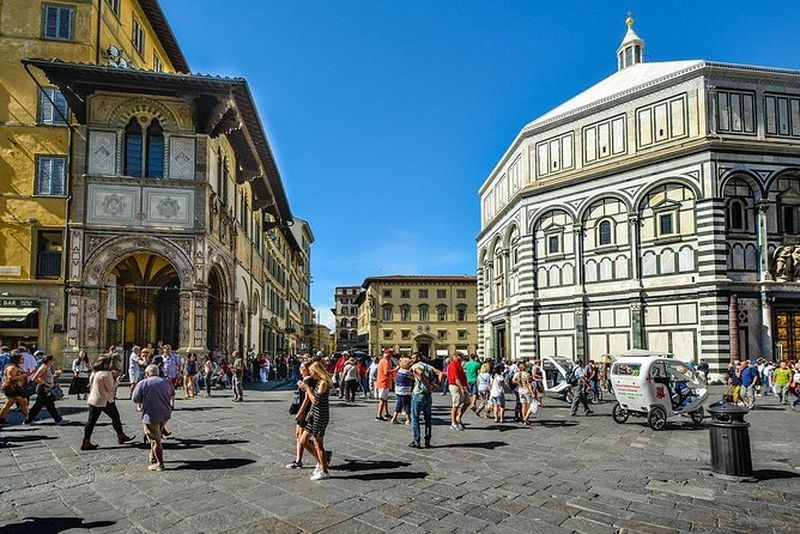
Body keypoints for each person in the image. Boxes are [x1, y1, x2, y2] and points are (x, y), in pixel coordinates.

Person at [81, 356, 135, 450]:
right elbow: (111, 388)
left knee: (91, 422)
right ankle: (121, 435)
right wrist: (117, 381)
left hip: (94, 399)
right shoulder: (106, 374)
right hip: (105, 400)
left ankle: (86, 441)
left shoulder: (95, 372)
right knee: (116, 418)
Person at [131, 364, 174, 471]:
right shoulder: (166, 382)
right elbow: (172, 394)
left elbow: (135, 399)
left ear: (147, 373)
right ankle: (153, 457)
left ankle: (160, 464)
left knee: (155, 440)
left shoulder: (143, 383)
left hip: (151, 415)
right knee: (157, 435)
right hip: (165, 413)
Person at [286, 361, 325, 469]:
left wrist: (300, 412)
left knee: (303, 438)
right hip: (302, 409)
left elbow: (308, 398)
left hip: (306, 410)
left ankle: (322, 458)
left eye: (302, 367)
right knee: (298, 435)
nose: (300, 368)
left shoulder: (308, 380)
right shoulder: (305, 379)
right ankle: (299, 460)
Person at [297, 361, 332, 480]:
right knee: (303, 441)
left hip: (320, 416)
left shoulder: (323, 383)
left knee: (318, 444)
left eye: (312, 372)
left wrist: (307, 388)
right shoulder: (318, 382)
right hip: (313, 416)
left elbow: (315, 401)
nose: (311, 374)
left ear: (317, 372)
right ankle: (321, 463)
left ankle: (324, 471)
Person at [409, 352, 443, 448]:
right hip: (428, 396)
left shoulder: (415, 366)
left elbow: (420, 373)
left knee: (415, 418)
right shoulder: (428, 366)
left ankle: (416, 441)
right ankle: (427, 440)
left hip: (419, 394)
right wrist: (437, 385)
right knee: (428, 419)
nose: (412, 360)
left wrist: (427, 385)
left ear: (419, 358)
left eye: (414, 358)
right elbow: (441, 373)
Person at [24, 354, 69, 426]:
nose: (54, 361)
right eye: (53, 360)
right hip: (43, 389)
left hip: (46, 389)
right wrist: (46, 384)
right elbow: (35, 378)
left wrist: (55, 376)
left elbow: (47, 377)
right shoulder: (43, 367)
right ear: (49, 361)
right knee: (48, 405)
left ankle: (28, 420)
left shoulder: (47, 367)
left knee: (40, 406)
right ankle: (58, 420)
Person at [0, 353, 31, 424]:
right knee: (23, 402)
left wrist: (26, 375)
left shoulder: (15, 367)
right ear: (17, 360)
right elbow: (10, 378)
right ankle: (29, 417)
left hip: (13, 388)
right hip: (12, 388)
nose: (23, 360)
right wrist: (24, 375)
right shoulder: (12, 368)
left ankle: (1, 418)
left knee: (9, 403)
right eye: (21, 359)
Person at [447, 353, 470, 430]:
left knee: (467, 402)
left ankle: (458, 417)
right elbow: (456, 378)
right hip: (455, 386)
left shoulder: (458, 365)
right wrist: (462, 388)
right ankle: (453, 423)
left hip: (461, 386)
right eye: (458, 357)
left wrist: (465, 386)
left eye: (461, 357)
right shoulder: (453, 365)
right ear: (454, 357)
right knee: (455, 404)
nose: (460, 359)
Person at [390, 357, 413, 425]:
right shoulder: (407, 372)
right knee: (407, 404)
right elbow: (413, 378)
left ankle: (394, 418)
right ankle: (408, 419)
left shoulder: (399, 370)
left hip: (398, 390)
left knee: (399, 403)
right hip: (405, 391)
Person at [375, 349, 393, 421]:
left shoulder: (383, 361)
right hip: (384, 382)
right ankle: (378, 415)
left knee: (385, 399)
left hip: (383, 382)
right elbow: (386, 372)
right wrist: (395, 369)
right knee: (382, 399)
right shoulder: (385, 361)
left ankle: (386, 413)